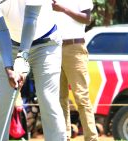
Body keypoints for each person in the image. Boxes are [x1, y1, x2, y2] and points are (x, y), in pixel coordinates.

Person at [0, 0, 66, 140]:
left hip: (46, 43)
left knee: (48, 100)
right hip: (11, 46)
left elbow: (31, 19)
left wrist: (22, 58)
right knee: (2, 103)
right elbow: (0, 30)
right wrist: (8, 67)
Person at [52, 0, 99, 141]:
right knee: (60, 97)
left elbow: (87, 19)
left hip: (74, 47)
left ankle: (91, 138)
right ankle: (64, 136)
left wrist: (63, 9)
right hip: (54, 48)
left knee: (81, 97)